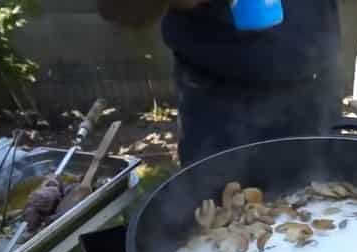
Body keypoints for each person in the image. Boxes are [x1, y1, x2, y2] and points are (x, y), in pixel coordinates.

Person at [97, 0, 342, 166]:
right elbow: (119, 8)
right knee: (216, 230)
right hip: (220, 109)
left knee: (334, 216)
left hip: (317, 92)